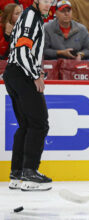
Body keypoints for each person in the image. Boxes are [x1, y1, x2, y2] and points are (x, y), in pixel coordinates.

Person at [3, 0, 53, 191]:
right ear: (36, 1)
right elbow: (23, 50)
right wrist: (36, 75)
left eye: (51, 1)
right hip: (22, 74)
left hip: (13, 74)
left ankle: (17, 173)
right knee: (39, 123)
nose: (48, 4)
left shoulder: (32, 16)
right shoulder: (31, 16)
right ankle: (30, 173)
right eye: (45, 0)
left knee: (26, 125)